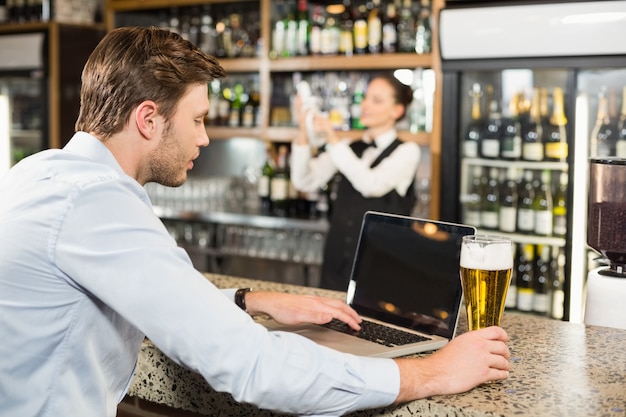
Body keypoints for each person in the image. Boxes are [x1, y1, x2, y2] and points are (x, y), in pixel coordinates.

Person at [0, 26, 510, 417]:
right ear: (148, 119)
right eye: (197, 119)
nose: (204, 138)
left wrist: (249, 301)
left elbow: (149, 294)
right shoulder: (98, 203)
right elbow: (251, 365)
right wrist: (429, 373)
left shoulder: (43, 173)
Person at [291, 74, 421, 291]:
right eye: (366, 98)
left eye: (376, 100)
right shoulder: (349, 147)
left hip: (380, 271)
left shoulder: (407, 151)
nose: (366, 105)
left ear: (397, 110)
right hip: (335, 265)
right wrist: (303, 130)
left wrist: (332, 138)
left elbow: (370, 184)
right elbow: (304, 181)